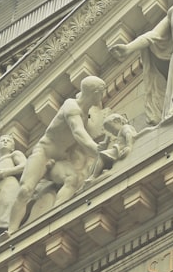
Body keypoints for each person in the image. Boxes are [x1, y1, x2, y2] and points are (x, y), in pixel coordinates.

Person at [9, 76, 107, 232]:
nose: (102, 96)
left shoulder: (85, 111)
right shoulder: (71, 106)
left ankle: (55, 216)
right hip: (43, 153)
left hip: (60, 159)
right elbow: (78, 133)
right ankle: (11, 231)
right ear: (94, 93)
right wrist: (98, 150)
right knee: (25, 190)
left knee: (72, 179)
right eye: (101, 93)